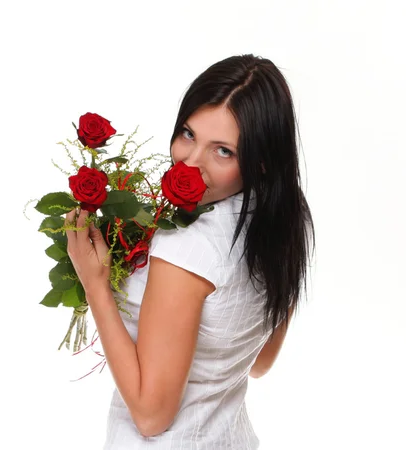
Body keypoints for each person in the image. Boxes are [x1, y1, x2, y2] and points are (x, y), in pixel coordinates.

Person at [64, 54, 315, 449]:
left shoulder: (186, 243)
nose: (190, 162)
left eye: (223, 151)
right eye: (188, 133)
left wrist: (95, 283)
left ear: (262, 162)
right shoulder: (287, 216)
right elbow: (261, 363)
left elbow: (150, 417)